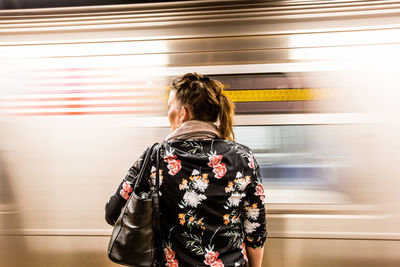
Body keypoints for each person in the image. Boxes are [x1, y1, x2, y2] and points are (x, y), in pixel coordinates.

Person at [105, 73, 267, 267]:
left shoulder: (157, 157)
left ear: (182, 113)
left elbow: (113, 212)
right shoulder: (244, 158)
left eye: (169, 107)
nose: (168, 114)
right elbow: (255, 231)